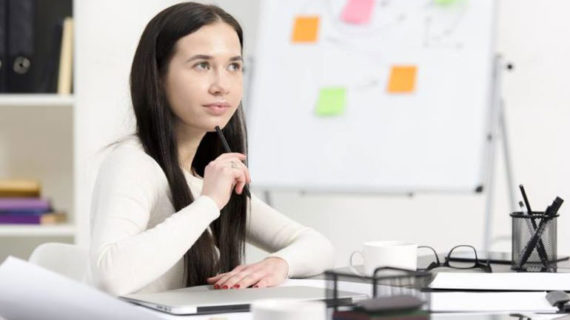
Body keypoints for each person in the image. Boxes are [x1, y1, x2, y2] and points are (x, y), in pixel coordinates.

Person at [89, 2, 335, 296]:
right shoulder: (134, 161)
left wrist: (279, 263)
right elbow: (109, 276)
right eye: (202, 65)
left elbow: (318, 245)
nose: (222, 85)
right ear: (158, 76)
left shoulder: (207, 176)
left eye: (233, 66)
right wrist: (207, 205)